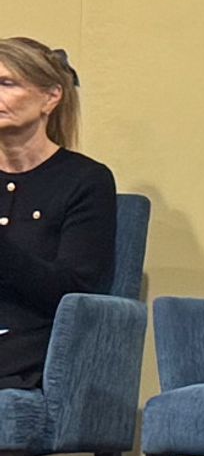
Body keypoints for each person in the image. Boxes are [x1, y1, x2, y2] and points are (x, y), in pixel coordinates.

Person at [0, 40, 117, 392]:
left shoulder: (85, 180)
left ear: (51, 97)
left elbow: (75, 289)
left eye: (7, 83)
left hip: (34, 342)